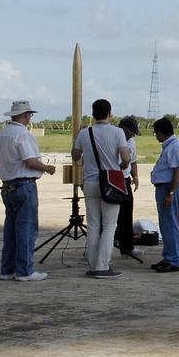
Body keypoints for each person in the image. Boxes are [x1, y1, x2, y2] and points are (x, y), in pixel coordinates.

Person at [0, 100, 55, 281]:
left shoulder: (3, 134)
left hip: (8, 185)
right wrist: (46, 168)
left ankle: (8, 269)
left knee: (11, 229)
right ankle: (25, 270)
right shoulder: (23, 134)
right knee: (26, 229)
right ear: (26, 115)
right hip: (24, 184)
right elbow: (30, 161)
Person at [72, 98, 132, 279]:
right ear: (110, 114)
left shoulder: (85, 133)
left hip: (89, 182)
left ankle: (92, 263)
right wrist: (121, 166)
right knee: (109, 225)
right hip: (111, 182)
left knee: (93, 225)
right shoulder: (117, 132)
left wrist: (78, 135)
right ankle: (102, 265)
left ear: (93, 114)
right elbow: (125, 157)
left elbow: (75, 156)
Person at [150, 117, 179, 272]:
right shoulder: (170, 145)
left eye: (155, 133)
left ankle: (174, 260)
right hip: (164, 187)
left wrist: (171, 192)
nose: (156, 136)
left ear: (160, 132)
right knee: (166, 224)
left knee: (170, 224)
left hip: (168, 188)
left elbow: (177, 170)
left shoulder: (174, 147)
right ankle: (168, 256)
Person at [115, 116, 142, 259]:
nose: (132, 135)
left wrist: (135, 177)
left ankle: (127, 246)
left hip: (125, 180)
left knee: (127, 213)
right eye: (131, 132)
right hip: (112, 180)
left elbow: (133, 161)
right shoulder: (113, 137)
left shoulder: (131, 141)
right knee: (111, 215)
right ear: (123, 128)